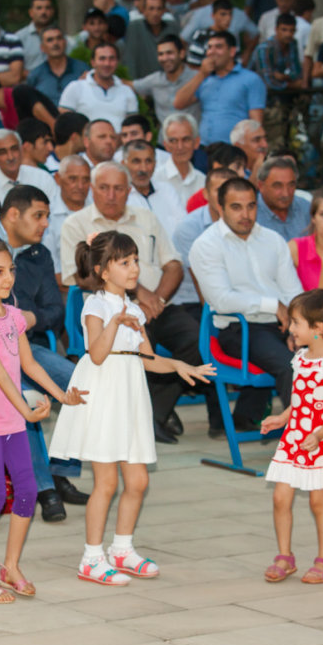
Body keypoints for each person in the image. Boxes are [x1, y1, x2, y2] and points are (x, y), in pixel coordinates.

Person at [50, 231, 212, 584]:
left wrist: (181, 366)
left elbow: (149, 359)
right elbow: (95, 353)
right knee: (105, 483)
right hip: (104, 395)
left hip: (129, 397)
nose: (134, 268)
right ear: (103, 271)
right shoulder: (95, 305)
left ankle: (121, 549)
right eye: (125, 262)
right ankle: (91, 557)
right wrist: (114, 322)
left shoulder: (135, 309)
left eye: (136, 260)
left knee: (137, 481)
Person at [0, 238, 84, 601]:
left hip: (13, 420)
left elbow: (28, 365)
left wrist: (62, 396)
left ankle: (10, 567)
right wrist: (28, 412)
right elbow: (0, 375)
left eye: (10, 270)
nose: (8, 277)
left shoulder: (13, 316)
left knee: (27, 492)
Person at [60, 162, 199, 443]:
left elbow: (173, 264)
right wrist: (139, 293)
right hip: (110, 307)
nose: (111, 195)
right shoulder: (76, 223)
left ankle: (155, 413)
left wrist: (156, 298)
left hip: (157, 305)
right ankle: (143, 414)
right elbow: (81, 276)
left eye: (119, 188)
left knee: (197, 339)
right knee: (135, 343)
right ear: (92, 189)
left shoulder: (146, 217)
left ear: (129, 190)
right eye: (104, 188)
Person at [190, 177, 303, 432]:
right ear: (220, 208)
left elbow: (292, 290)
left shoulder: (272, 240)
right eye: (236, 207)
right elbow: (221, 299)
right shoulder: (206, 245)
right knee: (292, 367)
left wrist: (299, 327)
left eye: (251, 206)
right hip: (238, 329)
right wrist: (272, 306)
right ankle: (301, 444)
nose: (245, 214)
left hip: (281, 325)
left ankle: (247, 417)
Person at [261, 290, 323, 585]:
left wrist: (320, 434)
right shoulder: (300, 358)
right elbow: (300, 400)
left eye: (296, 323)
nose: (291, 329)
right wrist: (282, 418)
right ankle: (284, 556)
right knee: (280, 497)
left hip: (319, 442)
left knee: (317, 502)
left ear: (318, 328)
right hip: (295, 439)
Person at [173, 31, 266, 145]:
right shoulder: (204, 79)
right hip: (204, 147)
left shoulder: (251, 79)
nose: (212, 52)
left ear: (232, 51)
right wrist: (201, 74)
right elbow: (178, 103)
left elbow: (256, 122)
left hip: (234, 148)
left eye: (218, 47)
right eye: (209, 48)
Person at [58, 44, 138, 132]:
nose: (107, 63)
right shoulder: (75, 87)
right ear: (93, 62)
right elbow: (64, 123)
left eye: (111, 59)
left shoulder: (127, 91)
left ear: (117, 62)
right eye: (102, 59)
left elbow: (132, 127)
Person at [122, 139, 183, 244]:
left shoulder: (167, 190)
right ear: (124, 164)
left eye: (148, 161)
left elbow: (182, 227)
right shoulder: (120, 197)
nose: (143, 168)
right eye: (136, 161)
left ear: (155, 164)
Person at [134, 35, 201, 126]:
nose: (165, 58)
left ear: (182, 54)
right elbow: (132, 86)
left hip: (191, 137)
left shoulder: (197, 77)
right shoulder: (155, 80)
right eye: (161, 54)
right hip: (164, 139)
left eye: (169, 53)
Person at [121, 0, 171, 79]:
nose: (155, 13)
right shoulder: (135, 27)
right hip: (142, 83)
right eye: (151, 9)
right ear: (144, 11)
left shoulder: (172, 27)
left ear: (164, 11)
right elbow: (130, 59)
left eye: (159, 9)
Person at [14, 0, 54, 74]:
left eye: (47, 8)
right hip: (28, 83)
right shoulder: (19, 37)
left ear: (52, 11)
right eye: (39, 8)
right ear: (31, 12)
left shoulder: (60, 37)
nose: (43, 12)